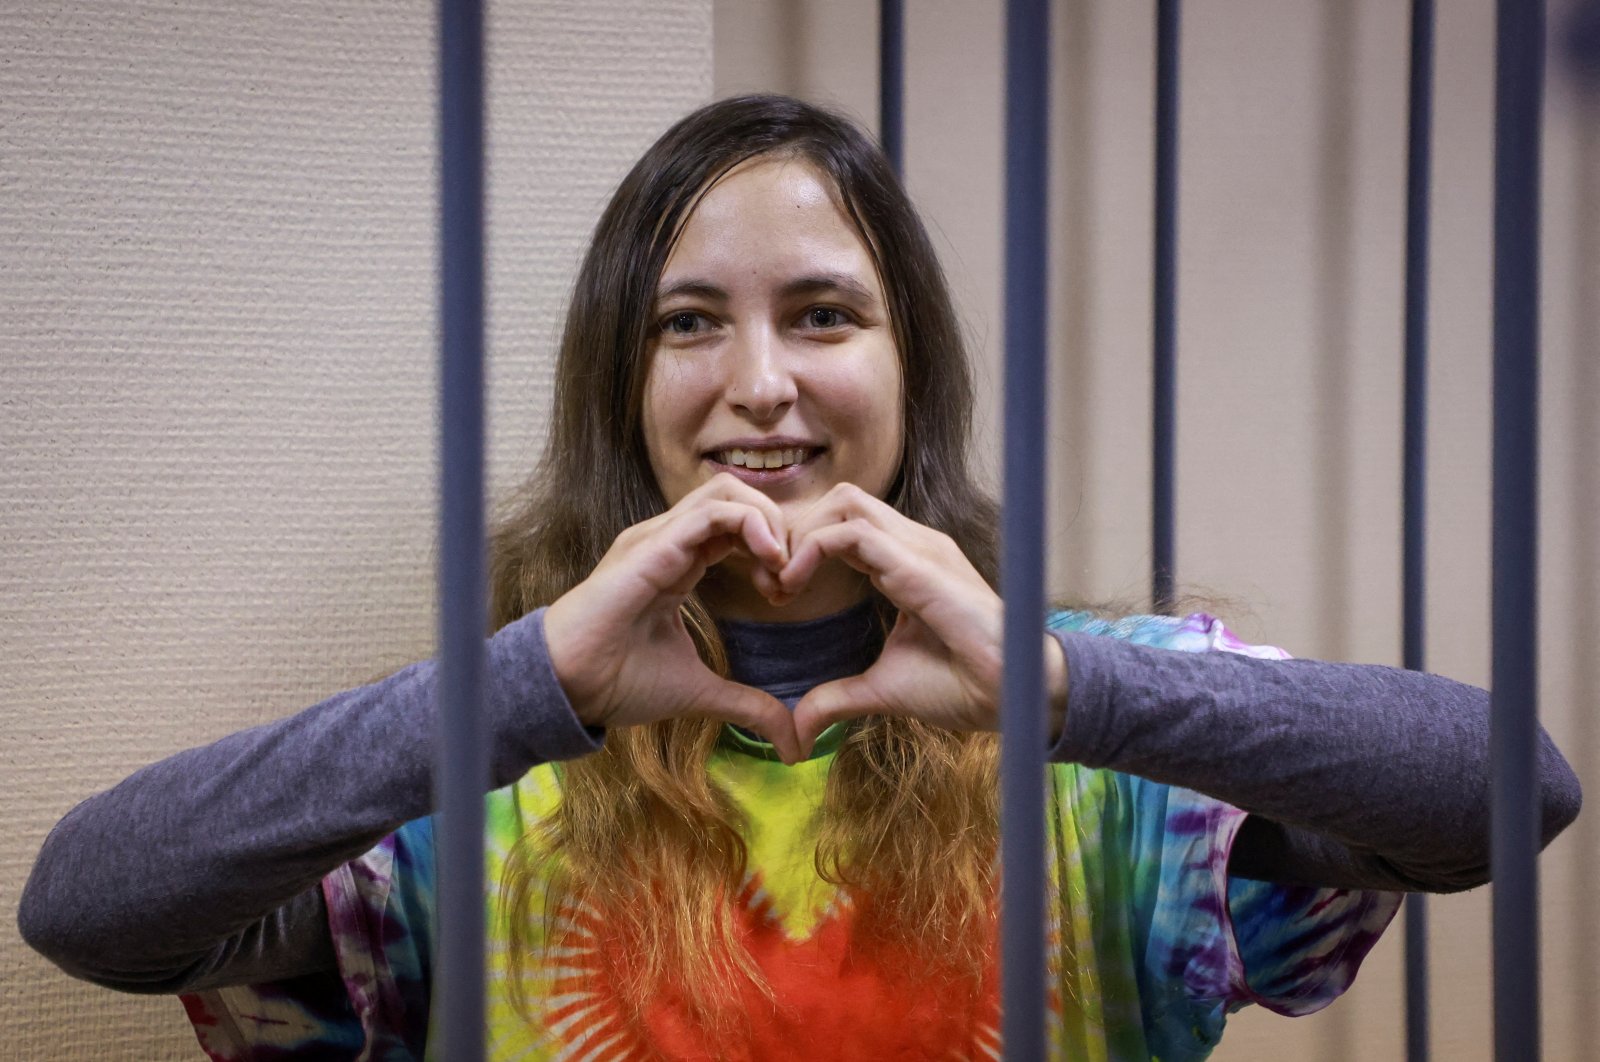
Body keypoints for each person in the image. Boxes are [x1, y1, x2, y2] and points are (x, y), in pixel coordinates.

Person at [19, 94, 1582, 1062]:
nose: (759, 380)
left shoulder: (1110, 723)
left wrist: (1055, 687)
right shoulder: (473, 761)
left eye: (825, 313)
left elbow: (1514, 787)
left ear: (914, 372)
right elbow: (88, 907)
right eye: (690, 321)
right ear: (623, 389)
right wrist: (532, 683)